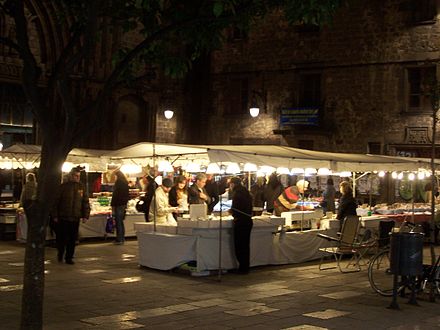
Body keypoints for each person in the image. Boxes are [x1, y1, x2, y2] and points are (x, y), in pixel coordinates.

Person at [53, 167, 90, 264]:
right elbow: (56, 202)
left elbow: (85, 202)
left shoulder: (81, 187)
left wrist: (85, 215)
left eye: (78, 176)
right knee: (62, 237)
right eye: (75, 176)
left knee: (72, 238)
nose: (77, 178)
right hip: (64, 216)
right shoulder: (63, 187)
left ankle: (69, 257)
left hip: (75, 217)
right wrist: (55, 215)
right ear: (71, 176)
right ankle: (60, 253)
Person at [229, 176, 253, 274]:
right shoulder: (246, 192)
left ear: (233, 184)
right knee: (245, 245)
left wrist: (231, 211)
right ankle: (245, 266)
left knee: (239, 246)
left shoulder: (237, 194)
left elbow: (236, 208)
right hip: (248, 220)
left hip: (240, 221)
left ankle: (242, 268)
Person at [111, 169, 130, 245]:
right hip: (123, 204)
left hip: (118, 204)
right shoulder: (125, 182)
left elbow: (115, 195)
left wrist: (112, 204)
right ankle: (122, 237)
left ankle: (119, 239)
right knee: (120, 222)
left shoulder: (119, 183)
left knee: (118, 221)